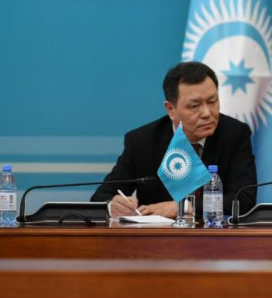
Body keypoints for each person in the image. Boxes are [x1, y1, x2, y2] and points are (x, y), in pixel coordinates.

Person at [91, 61, 257, 218]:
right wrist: (113, 205)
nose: (207, 113)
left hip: (215, 235)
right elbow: (101, 197)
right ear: (170, 109)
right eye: (194, 106)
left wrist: (183, 207)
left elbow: (243, 201)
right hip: (159, 236)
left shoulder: (234, 134)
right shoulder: (142, 141)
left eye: (212, 101)